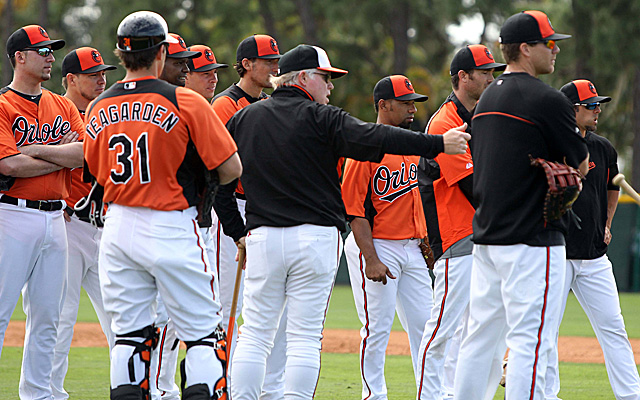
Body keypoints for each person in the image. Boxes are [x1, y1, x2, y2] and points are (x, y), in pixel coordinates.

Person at [217, 44, 470, 400]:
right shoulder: (323, 117)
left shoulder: (245, 119)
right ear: (303, 77)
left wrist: (236, 230)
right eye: (326, 78)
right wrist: (438, 143)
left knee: (255, 332)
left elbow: (219, 179)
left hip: (263, 236)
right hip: (315, 239)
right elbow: (377, 136)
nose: (330, 87)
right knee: (304, 336)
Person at [82, 11, 242, 400]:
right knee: (204, 336)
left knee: (130, 337)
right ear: (160, 53)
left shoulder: (98, 106)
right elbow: (230, 168)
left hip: (117, 227)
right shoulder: (184, 100)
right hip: (172, 223)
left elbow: (94, 170)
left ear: (121, 55)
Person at [452, 10, 590, 400]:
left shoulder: (488, 97)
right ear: (526, 50)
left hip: (488, 238)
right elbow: (579, 163)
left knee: (480, 340)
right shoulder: (547, 99)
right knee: (532, 341)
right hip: (533, 238)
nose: (556, 51)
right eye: (550, 44)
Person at [0, 24, 85, 400]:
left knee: (48, 316)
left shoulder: (63, 104)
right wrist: (57, 154)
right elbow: (10, 167)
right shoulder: (2, 104)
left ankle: (38, 395)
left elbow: (86, 152)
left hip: (56, 218)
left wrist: (33, 149)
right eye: (43, 50)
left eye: (51, 51)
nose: (50, 56)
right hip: (12, 216)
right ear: (20, 57)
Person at [416, 44, 504, 400]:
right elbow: (472, 185)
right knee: (442, 329)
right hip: (456, 237)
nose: (491, 77)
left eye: (492, 71)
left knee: (485, 329)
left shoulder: (485, 116)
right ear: (462, 77)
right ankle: (429, 395)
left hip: (485, 235)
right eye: (484, 72)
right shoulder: (445, 121)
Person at [543, 80, 640, 400]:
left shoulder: (603, 147)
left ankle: (631, 395)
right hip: (557, 251)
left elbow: (613, 186)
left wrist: (608, 223)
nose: (598, 110)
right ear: (572, 110)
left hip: (595, 256)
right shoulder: (551, 145)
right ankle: (547, 394)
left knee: (613, 327)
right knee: (547, 331)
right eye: (591, 105)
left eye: (599, 104)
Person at [342, 74, 434, 400]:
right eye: (406, 102)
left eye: (414, 102)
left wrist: (423, 240)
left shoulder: (411, 146)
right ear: (383, 105)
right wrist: (371, 258)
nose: (413, 108)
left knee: (427, 327)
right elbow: (354, 211)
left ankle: (432, 394)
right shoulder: (363, 150)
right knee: (377, 328)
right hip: (376, 244)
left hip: (411, 247)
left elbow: (415, 200)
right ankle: (374, 395)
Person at [211, 34, 288, 400]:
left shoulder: (270, 103)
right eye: (269, 60)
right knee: (227, 305)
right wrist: (235, 228)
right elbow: (219, 170)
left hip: (264, 211)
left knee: (268, 309)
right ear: (246, 64)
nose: (276, 66)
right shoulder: (225, 106)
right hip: (232, 210)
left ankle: (265, 390)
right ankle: (220, 386)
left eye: (277, 60)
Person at [51, 46, 117, 400]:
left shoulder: (104, 114)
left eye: (103, 72)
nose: (101, 79)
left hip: (105, 228)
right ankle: (49, 393)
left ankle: (129, 389)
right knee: (60, 319)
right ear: (70, 79)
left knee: (121, 318)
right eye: (93, 74)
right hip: (68, 224)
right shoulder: (55, 112)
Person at [149, 32, 201, 400]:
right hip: (162, 219)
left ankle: (158, 388)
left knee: (164, 317)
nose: (186, 68)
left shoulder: (120, 101)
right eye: (178, 61)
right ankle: (159, 389)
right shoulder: (179, 106)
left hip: (160, 218)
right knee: (162, 317)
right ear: (157, 59)